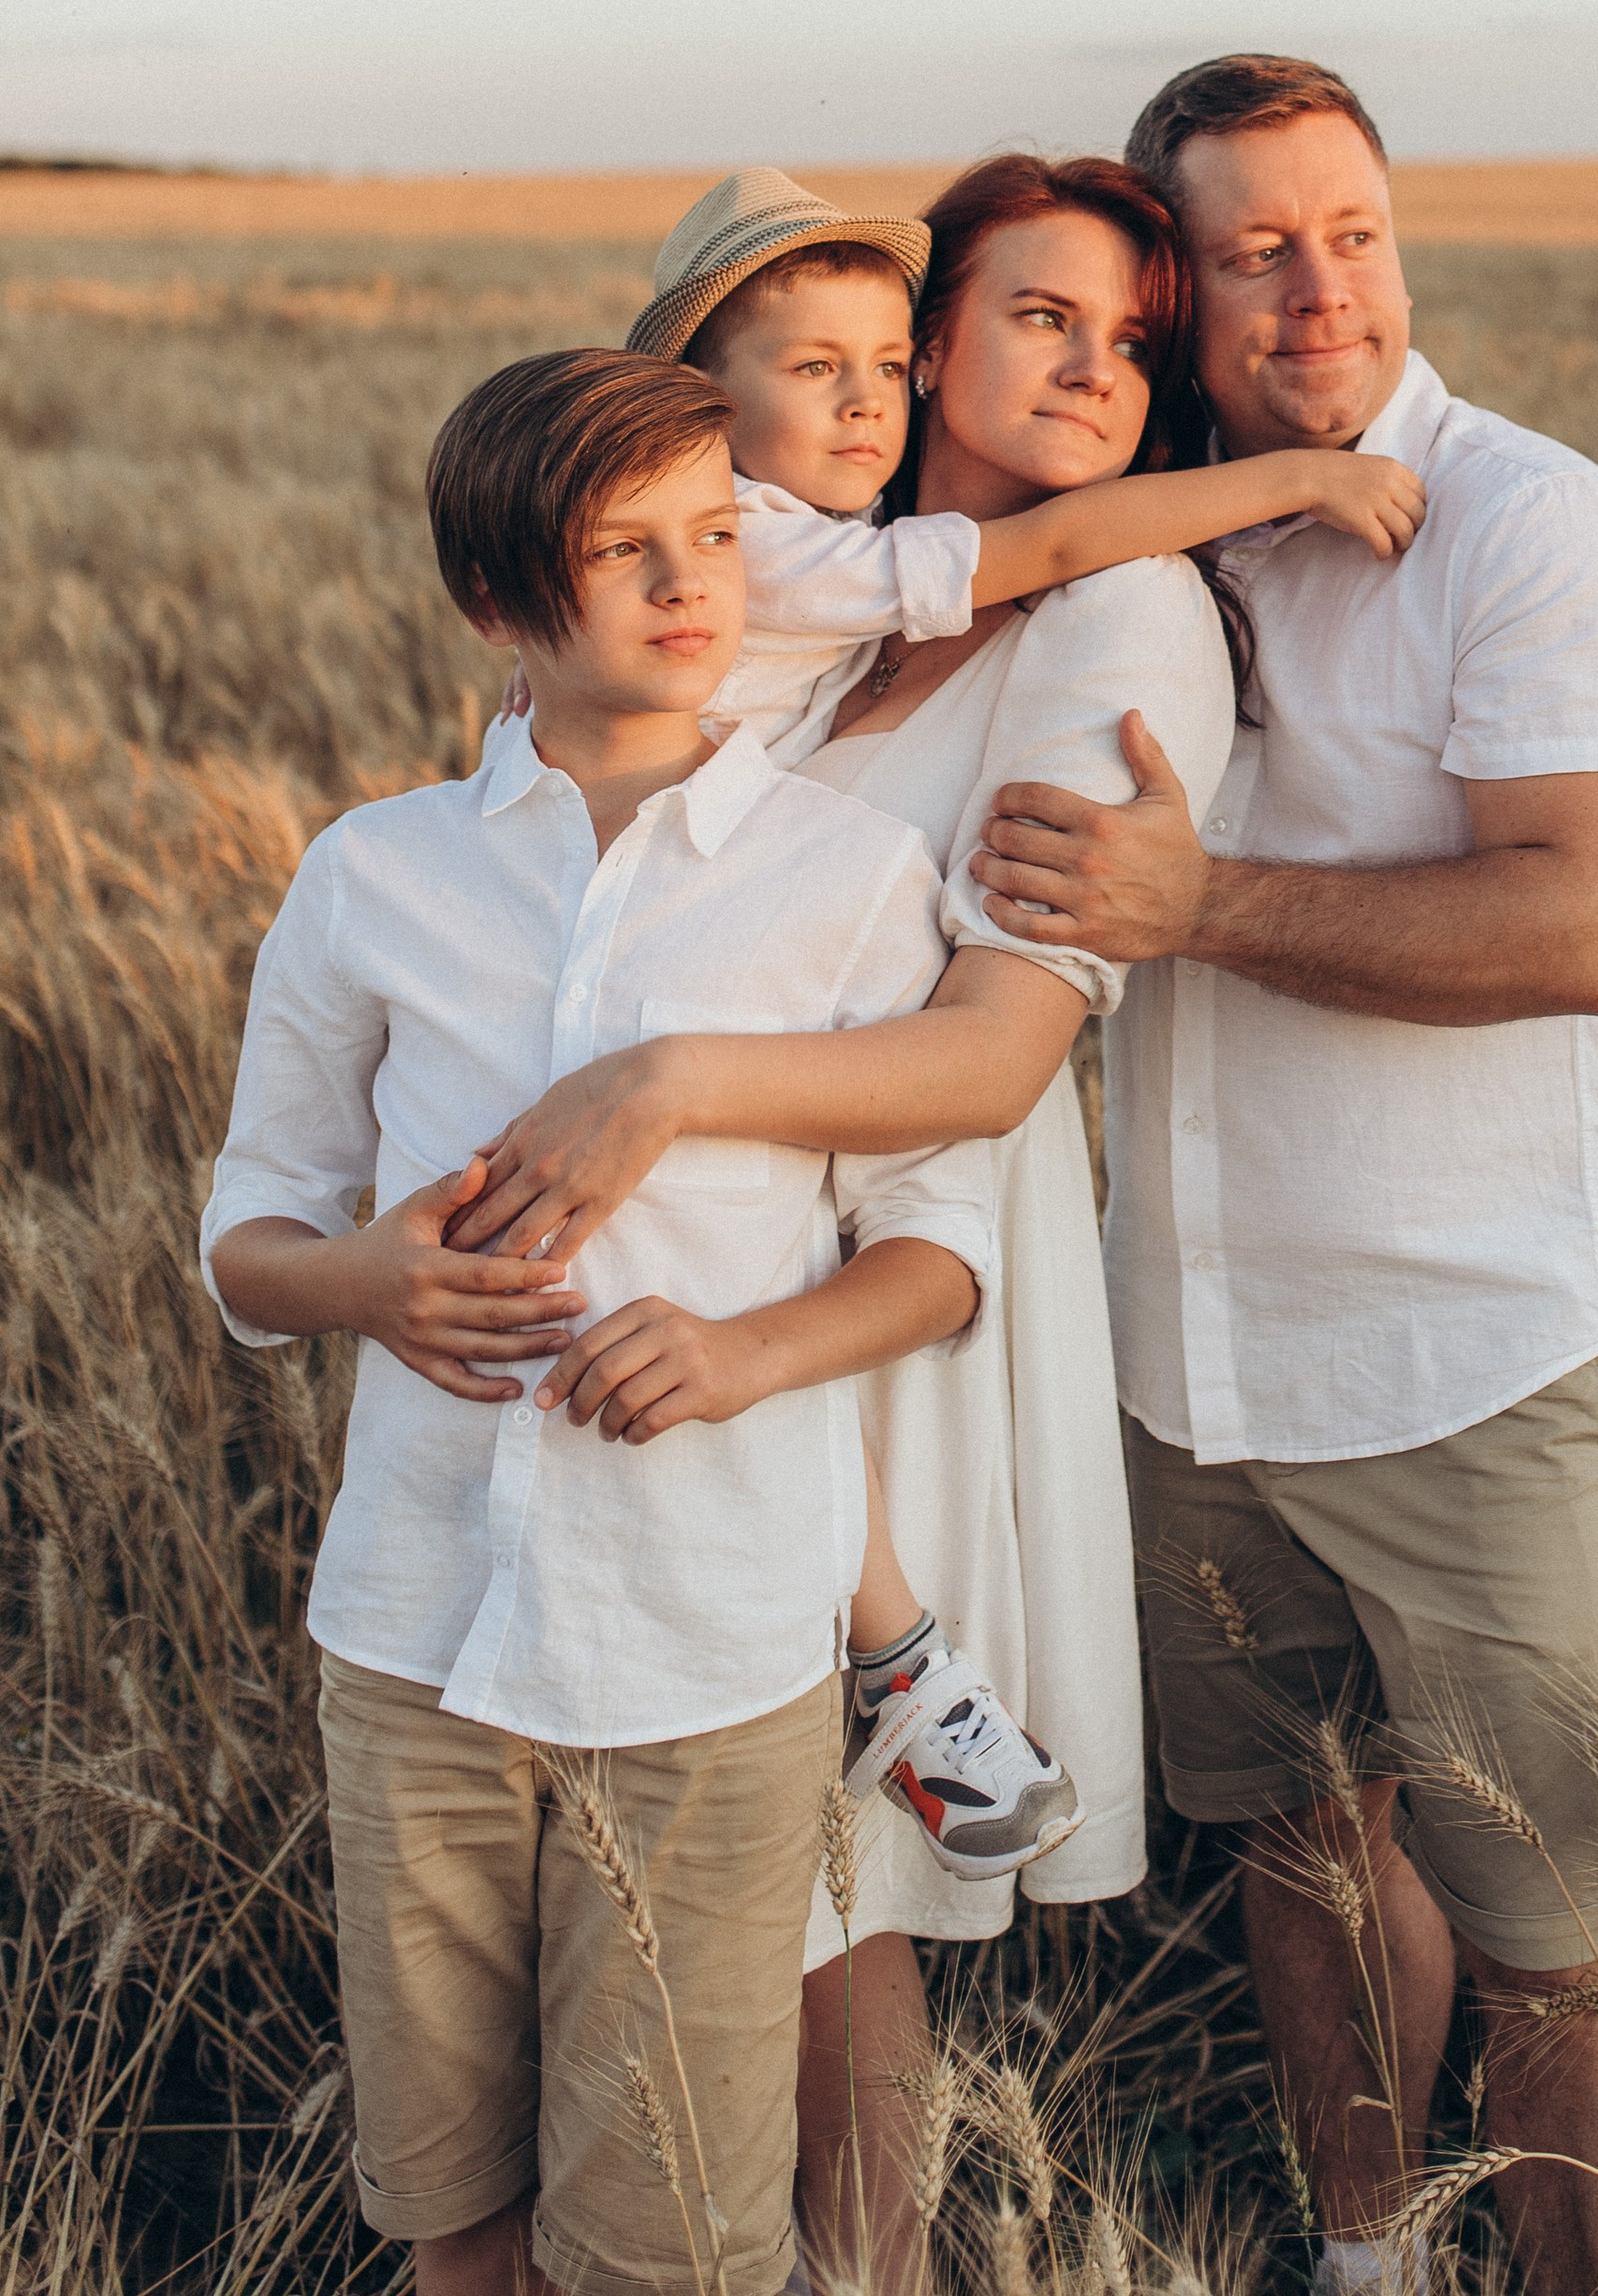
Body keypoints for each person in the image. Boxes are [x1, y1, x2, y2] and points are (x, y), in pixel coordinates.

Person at [448, 153, 1427, 2296]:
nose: (1090, 369)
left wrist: (670, 1080)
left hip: (892, 1279)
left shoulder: (1107, 612)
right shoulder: (788, 589)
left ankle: (855, 2263)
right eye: (1033, 320)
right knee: (743, 1856)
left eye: (1132, 342)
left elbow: (989, 1057)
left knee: (818, 1866)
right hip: (693, 1245)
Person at [965, 55, 1598, 2296]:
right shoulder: (1159, 528)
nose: (1317, 288)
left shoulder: (1531, 522)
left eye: (1350, 230)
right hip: (1188, 1352)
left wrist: (1200, 907)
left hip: (1465, 1358)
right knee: (1297, 1834)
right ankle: (1372, 2260)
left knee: (1564, 1938)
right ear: (1176, 287)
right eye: (1255, 248)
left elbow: (1584, 925)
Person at [199, 348, 1001, 2296]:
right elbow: (248, 1235)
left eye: (712, 533)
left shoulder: (847, 880)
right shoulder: (372, 873)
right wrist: (364, 1283)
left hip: (709, 1659)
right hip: (413, 1647)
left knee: (666, 2243)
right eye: (619, 548)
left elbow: (938, 1249)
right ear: (494, 601)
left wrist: (742, 1356)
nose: (686, 583)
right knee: (448, 2212)